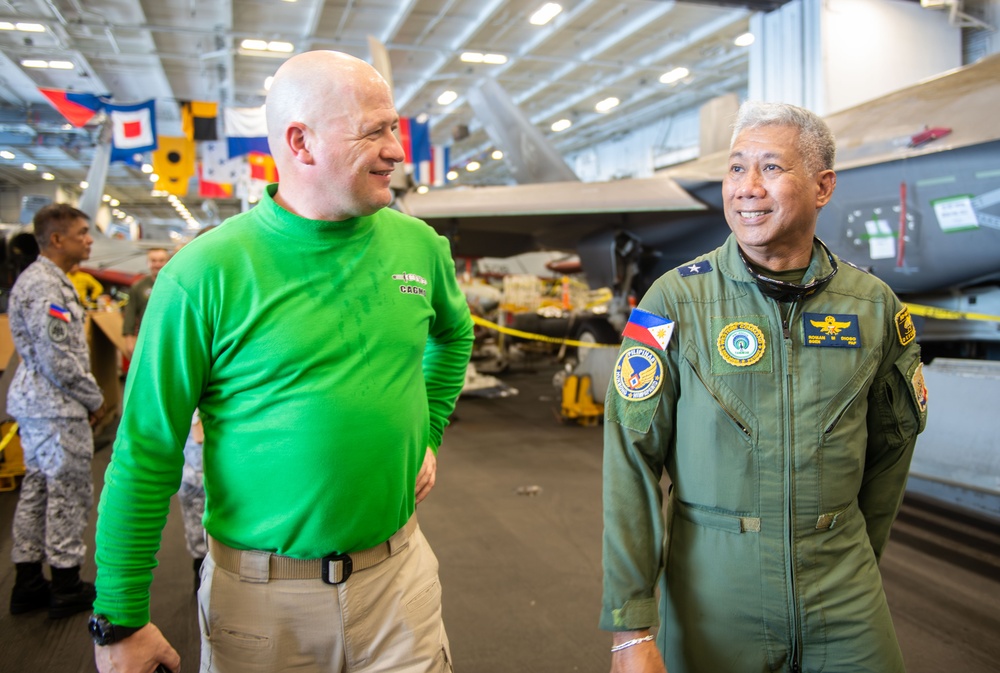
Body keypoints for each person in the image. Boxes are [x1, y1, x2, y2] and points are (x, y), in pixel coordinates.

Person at [91, 50, 474, 673]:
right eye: (374, 131)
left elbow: (453, 337)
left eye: (394, 128)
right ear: (301, 142)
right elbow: (144, 449)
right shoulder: (204, 274)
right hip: (263, 603)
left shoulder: (419, 246)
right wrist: (121, 618)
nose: (397, 150)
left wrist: (427, 433)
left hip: (400, 583)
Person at [600, 101, 928, 673]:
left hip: (842, 591)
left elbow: (892, 447)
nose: (747, 188)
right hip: (713, 592)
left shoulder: (874, 307)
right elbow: (630, 456)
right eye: (735, 169)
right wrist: (631, 626)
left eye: (771, 168)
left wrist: (855, 553)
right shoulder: (670, 302)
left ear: (823, 187)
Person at [7, 203, 106, 619]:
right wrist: (96, 398)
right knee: (68, 493)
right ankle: (66, 581)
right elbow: (58, 359)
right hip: (56, 409)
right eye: (82, 232)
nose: (89, 239)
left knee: (38, 491)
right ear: (56, 239)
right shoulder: (47, 286)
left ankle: (28, 581)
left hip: (38, 406)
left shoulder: (43, 280)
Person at [120, 247, 169, 359]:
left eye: (161, 260)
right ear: (148, 263)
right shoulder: (138, 287)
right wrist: (129, 341)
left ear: (167, 262)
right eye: (153, 260)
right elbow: (130, 314)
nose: (157, 264)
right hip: (147, 339)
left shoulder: (175, 286)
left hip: (170, 337)